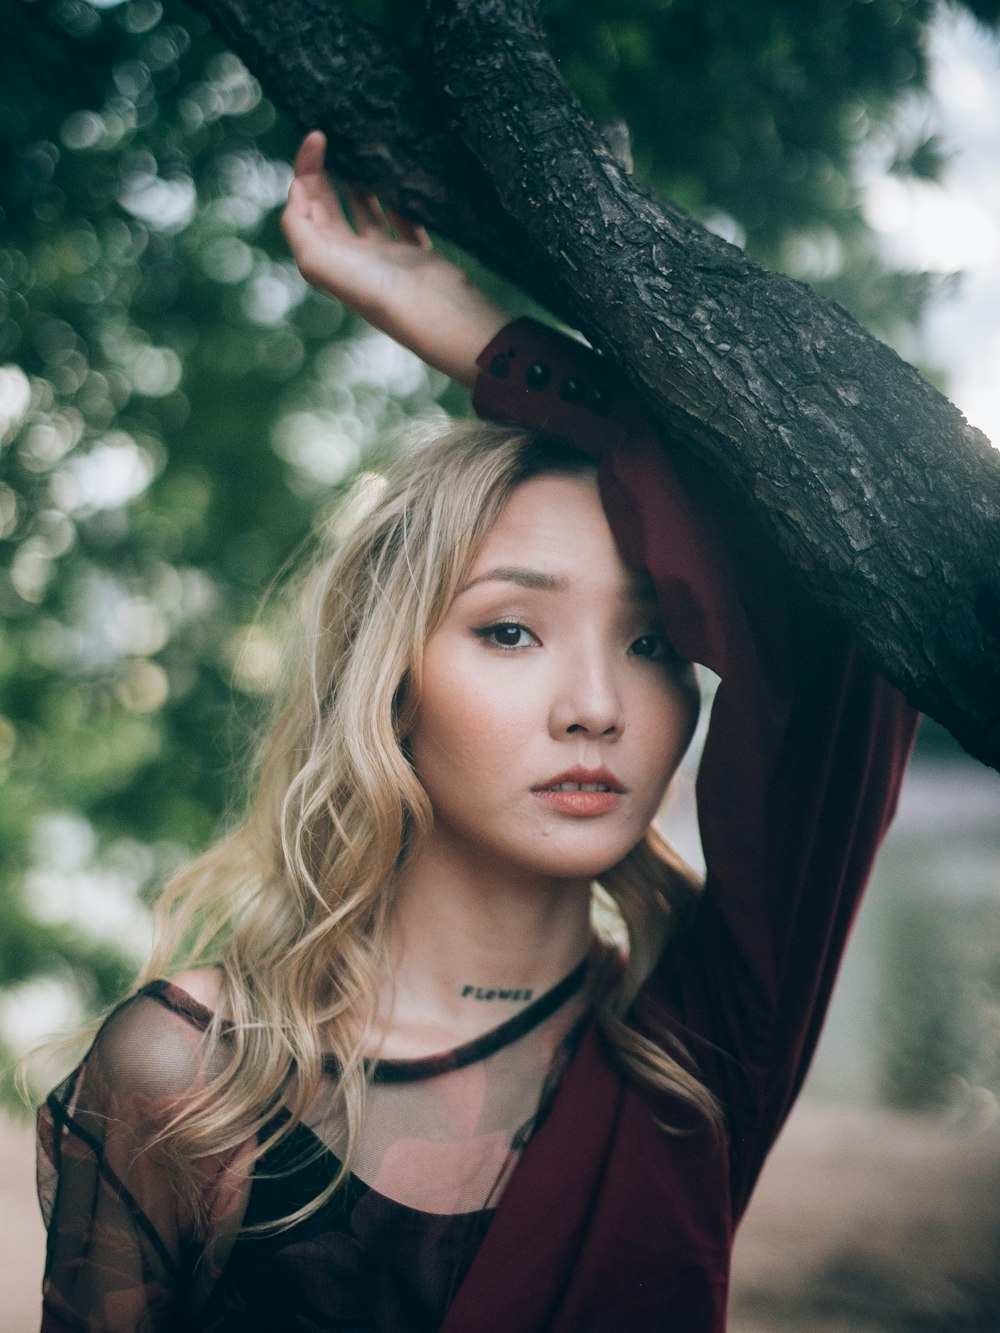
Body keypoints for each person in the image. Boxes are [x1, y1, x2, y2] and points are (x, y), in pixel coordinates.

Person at [36, 131, 917, 1333]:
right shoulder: (190, 1077)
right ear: (392, 684)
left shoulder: (702, 1053)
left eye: (656, 643)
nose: (596, 705)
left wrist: (466, 326)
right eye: (511, 631)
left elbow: (845, 602)